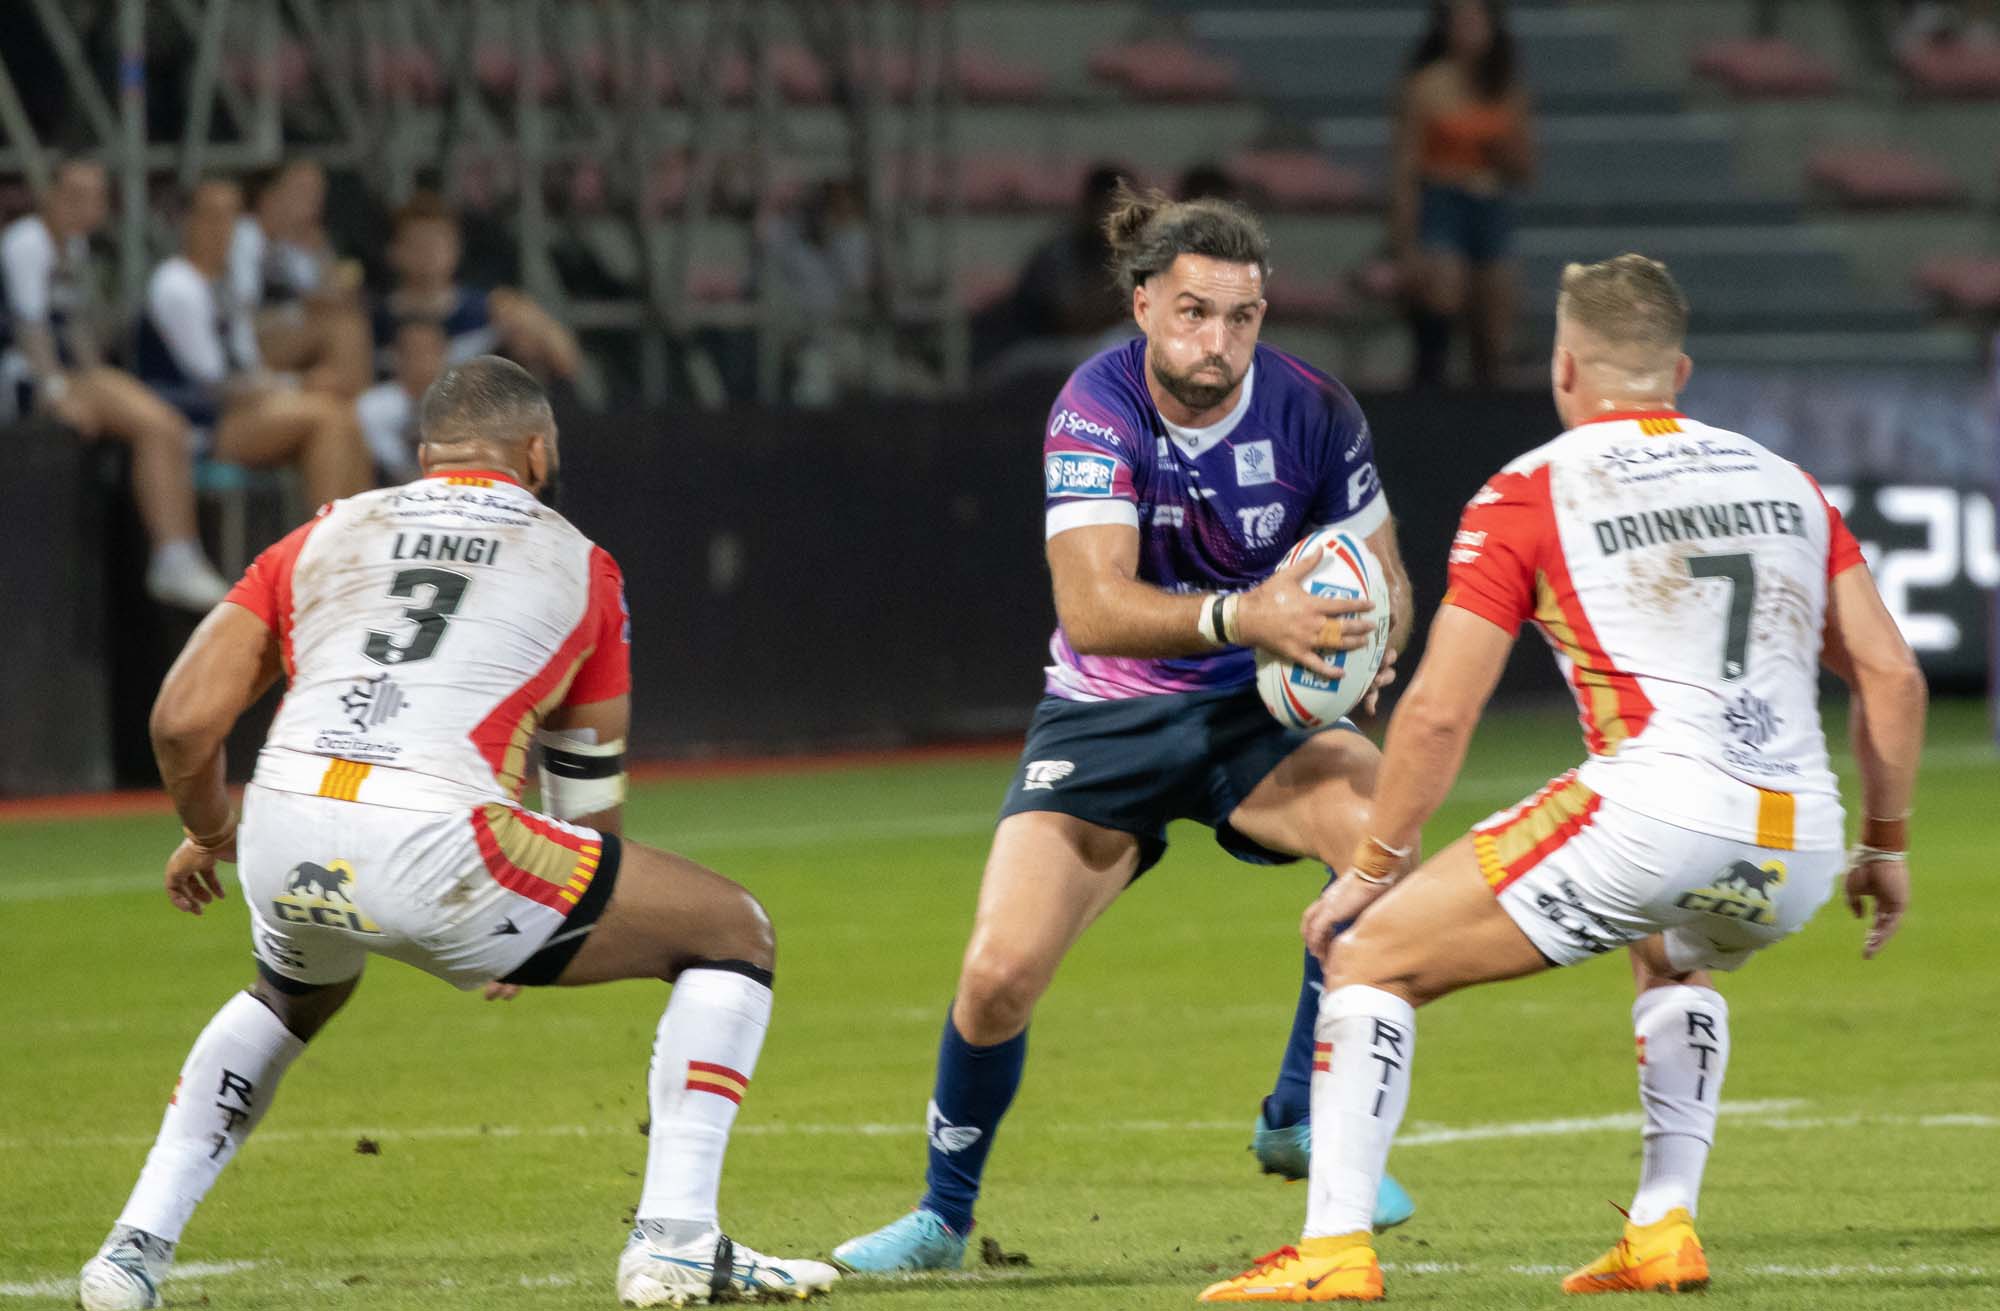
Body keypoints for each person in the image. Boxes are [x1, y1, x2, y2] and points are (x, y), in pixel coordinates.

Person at [1200, 254, 1925, 1303]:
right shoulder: (1785, 482)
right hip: (1796, 841)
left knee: (1368, 956)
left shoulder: (1529, 490)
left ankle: (1333, 1249)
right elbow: (1892, 677)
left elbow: (1440, 711)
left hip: (1655, 810)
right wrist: (1884, 845)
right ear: (1677, 371)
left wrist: (1373, 863)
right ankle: (1662, 1228)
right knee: (1671, 953)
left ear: (1565, 368)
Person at [76, 357, 838, 1311]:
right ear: (537, 451)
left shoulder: (324, 532)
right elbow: (587, 803)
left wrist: (210, 829)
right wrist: (537, 926)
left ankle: (131, 1253)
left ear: (426, 451)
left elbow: (183, 721)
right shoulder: (580, 561)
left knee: (290, 994)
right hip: (440, 840)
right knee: (732, 931)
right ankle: (678, 1240)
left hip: (282, 819)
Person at [833, 184, 1418, 1275]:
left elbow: (1385, 571)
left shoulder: (1314, 408)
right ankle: (942, 1220)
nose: (1218, 342)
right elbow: (1092, 606)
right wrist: (1246, 616)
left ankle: (1297, 1115)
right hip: (1110, 712)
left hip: (1254, 710)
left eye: (1241, 317)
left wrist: (1376, 639)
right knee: (996, 975)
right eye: (1194, 312)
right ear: (1143, 304)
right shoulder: (1093, 407)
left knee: (1384, 838)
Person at [0, 157, 230, 610]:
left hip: (59, 375)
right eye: (75, 197)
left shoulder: (74, 247)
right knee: (157, 423)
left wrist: (100, 378)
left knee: (165, 423)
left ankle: (181, 552)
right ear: (50, 197)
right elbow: (31, 329)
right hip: (18, 377)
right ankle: (174, 555)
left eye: (96, 198)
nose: (86, 208)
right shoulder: (27, 242)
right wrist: (58, 394)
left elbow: (75, 331)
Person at [136, 178, 372, 511]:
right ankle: (326, 540)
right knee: (326, 418)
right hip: (195, 422)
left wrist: (290, 387)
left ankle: (361, 534)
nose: (222, 229)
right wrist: (296, 384)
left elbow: (248, 361)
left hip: (236, 410)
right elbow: (214, 383)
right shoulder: (177, 284)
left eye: (231, 218)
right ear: (187, 222)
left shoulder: (224, 283)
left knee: (344, 415)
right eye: (212, 217)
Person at [1388, 0, 1534, 389]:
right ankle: (1431, 380)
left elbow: (1525, 168)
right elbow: (1406, 167)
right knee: (1442, 294)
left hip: (1491, 203)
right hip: (1443, 199)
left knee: (1495, 316)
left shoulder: (1506, 89)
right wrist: (1406, 240)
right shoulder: (1426, 87)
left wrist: (1501, 154)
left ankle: (1489, 388)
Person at [374, 191, 581, 382]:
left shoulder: (488, 310)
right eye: (419, 243)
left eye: (439, 242)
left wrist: (530, 319)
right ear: (393, 252)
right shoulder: (374, 320)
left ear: (456, 249)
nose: (429, 253)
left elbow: (566, 361)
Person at [229, 159, 374, 397]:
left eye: (317, 195)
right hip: (244, 338)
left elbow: (336, 297)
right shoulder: (244, 236)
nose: (312, 204)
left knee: (346, 330)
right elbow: (240, 311)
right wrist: (304, 309)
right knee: (343, 329)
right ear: (268, 196)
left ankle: (345, 406)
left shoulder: (293, 248)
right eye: (302, 192)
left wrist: (320, 254)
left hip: (288, 336)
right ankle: (361, 409)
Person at [355, 319, 447, 482]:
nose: (423, 359)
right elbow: (384, 461)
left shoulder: (464, 404)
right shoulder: (371, 405)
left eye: (431, 350)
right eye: (414, 351)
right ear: (395, 355)